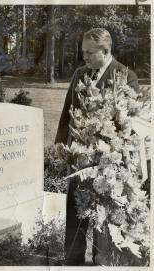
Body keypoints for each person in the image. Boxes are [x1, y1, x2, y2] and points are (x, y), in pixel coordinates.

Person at [55, 28, 139, 265]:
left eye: (90, 53)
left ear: (106, 50)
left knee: (103, 215)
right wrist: (62, 148)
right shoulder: (80, 74)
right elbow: (66, 115)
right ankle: (72, 261)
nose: (85, 57)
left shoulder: (125, 75)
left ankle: (102, 261)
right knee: (75, 211)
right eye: (83, 52)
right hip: (78, 159)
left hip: (107, 165)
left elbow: (129, 124)